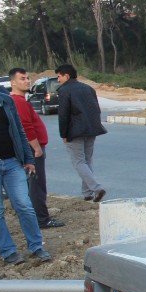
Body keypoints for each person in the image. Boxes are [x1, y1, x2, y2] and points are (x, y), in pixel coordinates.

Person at [0, 85, 50, 264]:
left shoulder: (5, 100)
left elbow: (19, 131)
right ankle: (8, 251)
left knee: (24, 205)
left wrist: (28, 158)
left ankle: (36, 246)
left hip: (12, 162)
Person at [9, 68, 63, 229]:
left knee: (32, 184)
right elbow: (26, 127)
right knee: (37, 185)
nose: (27, 81)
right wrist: (36, 148)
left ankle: (35, 217)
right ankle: (42, 219)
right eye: (22, 79)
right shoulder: (18, 102)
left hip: (32, 148)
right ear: (13, 82)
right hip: (33, 150)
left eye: (27, 78)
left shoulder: (20, 100)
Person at [55, 63, 106, 202]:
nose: (58, 80)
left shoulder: (64, 90)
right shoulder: (88, 88)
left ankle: (97, 188)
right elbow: (97, 109)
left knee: (78, 162)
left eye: (59, 76)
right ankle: (87, 193)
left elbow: (63, 115)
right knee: (87, 161)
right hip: (92, 129)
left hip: (75, 131)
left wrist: (63, 134)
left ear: (66, 75)